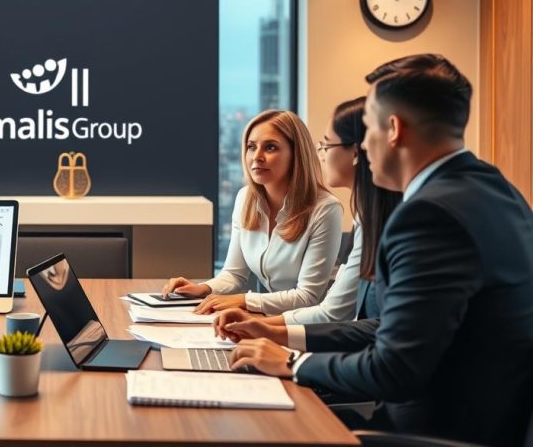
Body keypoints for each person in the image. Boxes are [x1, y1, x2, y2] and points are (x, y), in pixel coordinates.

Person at [220, 54, 533, 446]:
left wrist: (290, 362)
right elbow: (391, 327)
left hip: (432, 430)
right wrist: (281, 333)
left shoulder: (426, 216)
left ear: (393, 129)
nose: (364, 148)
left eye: (366, 130)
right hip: (479, 419)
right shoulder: (498, 191)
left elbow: (395, 369)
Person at [215, 97, 400, 330]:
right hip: (327, 334)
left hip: (328, 336)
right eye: (251, 146)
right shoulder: (366, 218)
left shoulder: (359, 216)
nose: (321, 154)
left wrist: (260, 324)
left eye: (326, 145)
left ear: (357, 152)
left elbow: (332, 313)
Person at [164, 110, 343, 315]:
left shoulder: (326, 209)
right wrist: (202, 289)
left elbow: (307, 296)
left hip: (314, 329)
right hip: (268, 321)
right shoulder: (245, 198)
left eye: (270, 147)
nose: (257, 157)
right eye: (251, 147)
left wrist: (243, 300)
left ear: (296, 154)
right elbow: (234, 274)